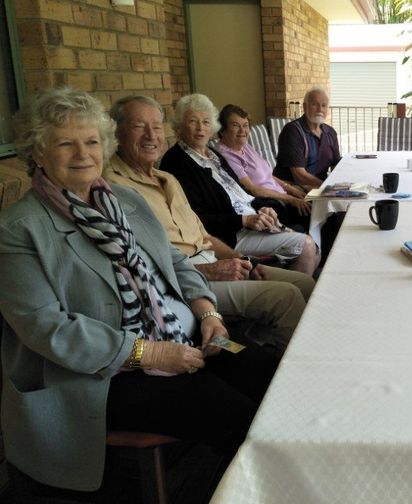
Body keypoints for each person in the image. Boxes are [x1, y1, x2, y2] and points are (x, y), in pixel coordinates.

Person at [0, 87, 276, 492]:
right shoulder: (19, 230)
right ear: (38, 152)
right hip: (98, 376)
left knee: (270, 372)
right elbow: (48, 329)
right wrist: (152, 352)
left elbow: (176, 263)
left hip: (184, 339)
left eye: (92, 141)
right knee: (238, 416)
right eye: (65, 143)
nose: (83, 154)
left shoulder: (123, 200)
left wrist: (210, 315)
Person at [106, 95, 312, 352]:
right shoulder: (114, 189)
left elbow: (204, 235)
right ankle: (281, 366)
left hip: (215, 258)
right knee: (287, 297)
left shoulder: (167, 178)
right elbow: (147, 269)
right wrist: (213, 270)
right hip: (190, 280)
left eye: (156, 127)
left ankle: (261, 343)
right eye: (139, 126)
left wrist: (245, 261)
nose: (151, 135)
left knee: (305, 284)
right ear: (115, 133)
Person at [159, 94, 320, 276]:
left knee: (315, 250)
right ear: (179, 127)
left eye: (205, 122)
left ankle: (281, 287)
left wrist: (264, 209)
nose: (200, 128)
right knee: (306, 247)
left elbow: (242, 193)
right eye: (192, 122)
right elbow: (196, 219)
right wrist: (245, 220)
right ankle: (287, 293)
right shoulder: (176, 162)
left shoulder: (213, 156)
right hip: (228, 235)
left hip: (251, 223)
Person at [215, 103, 311, 231]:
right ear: (222, 130)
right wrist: (291, 199)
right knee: (316, 212)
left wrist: (290, 188)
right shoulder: (225, 155)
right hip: (271, 205)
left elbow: (268, 176)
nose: (243, 131)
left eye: (245, 125)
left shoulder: (244, 146)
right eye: (235, 125)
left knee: (318, 202)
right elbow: (253, 189)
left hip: (282, 196)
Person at [273, 87, 341, 188]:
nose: (320, 109)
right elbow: (299, 176)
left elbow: (336, 165)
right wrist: (326, 188)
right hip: (293, 187)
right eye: (314, 104)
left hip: (318, 186)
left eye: (324, 105)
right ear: (305, 107)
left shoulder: (330, 132)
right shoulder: (293, 131)